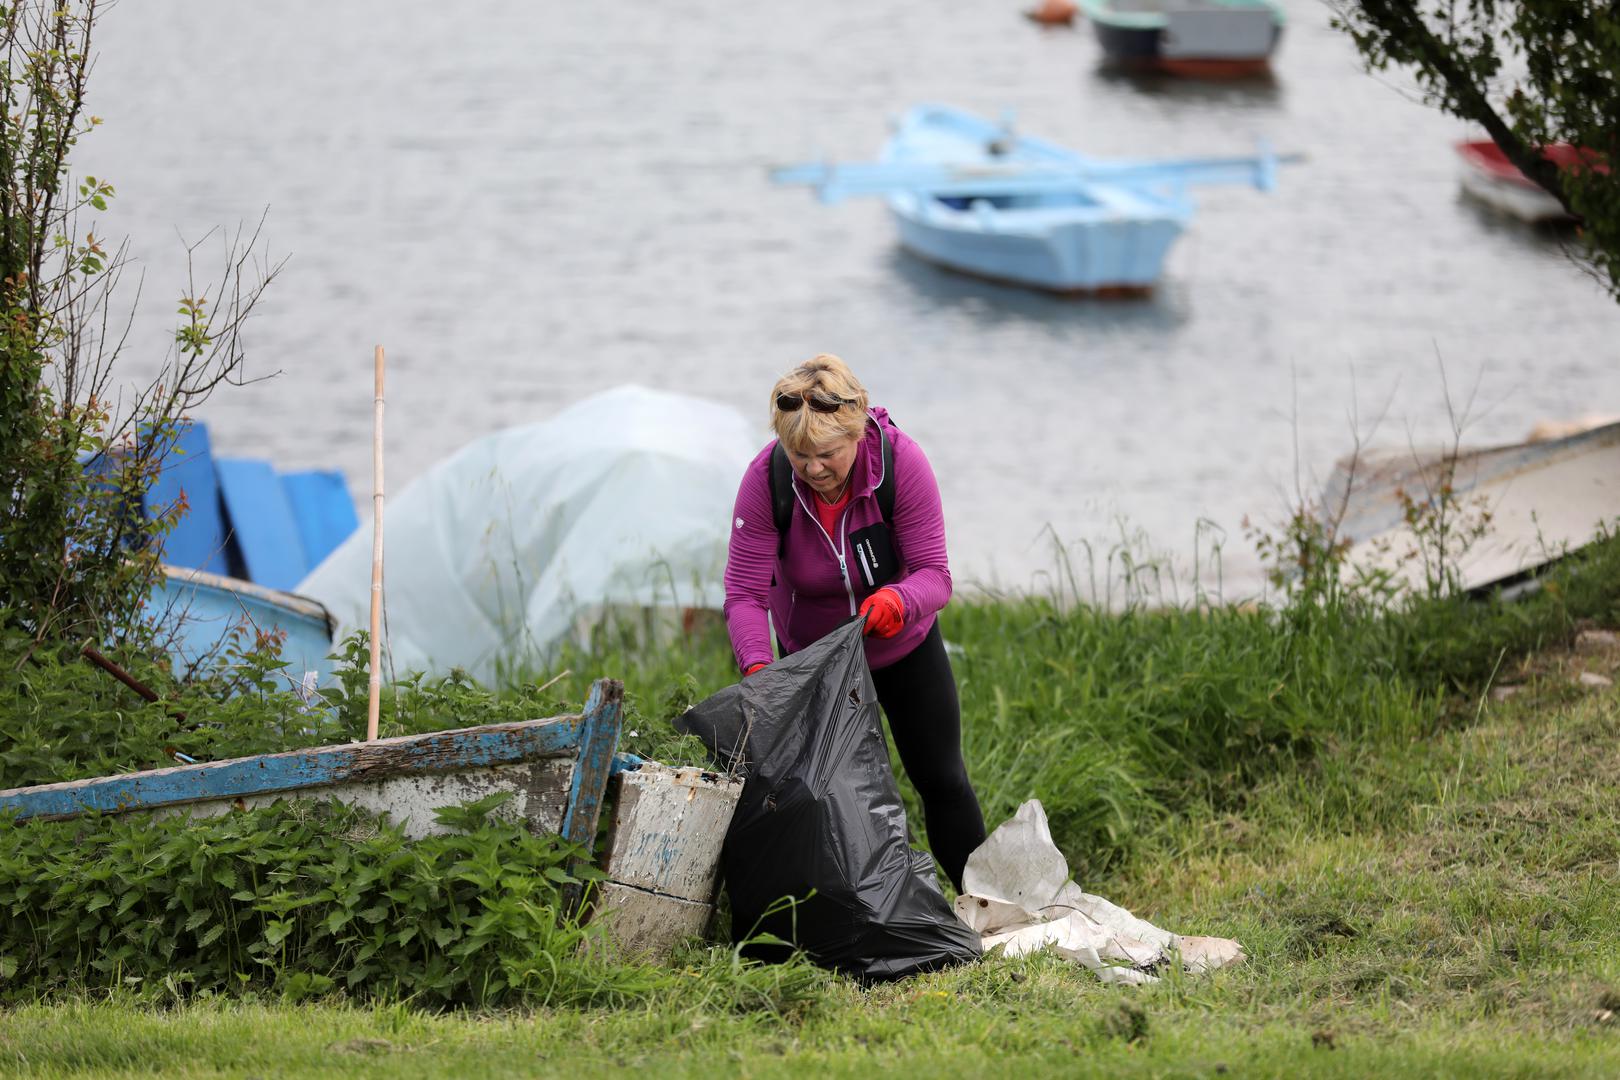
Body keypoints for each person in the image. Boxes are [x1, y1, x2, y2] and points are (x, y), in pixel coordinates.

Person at [722, 353, 986, 890]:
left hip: (904, 649)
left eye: (827, 454)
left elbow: (936, 576)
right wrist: (760, 670)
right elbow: (744, 594)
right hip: (813, 663)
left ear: (858, 431)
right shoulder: (766, 480)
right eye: (800, 455)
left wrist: (897, 601)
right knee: (830, 800)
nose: (814, 469)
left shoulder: (901, 463)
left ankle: (983, 907)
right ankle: (855, 916)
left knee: (942, 780)